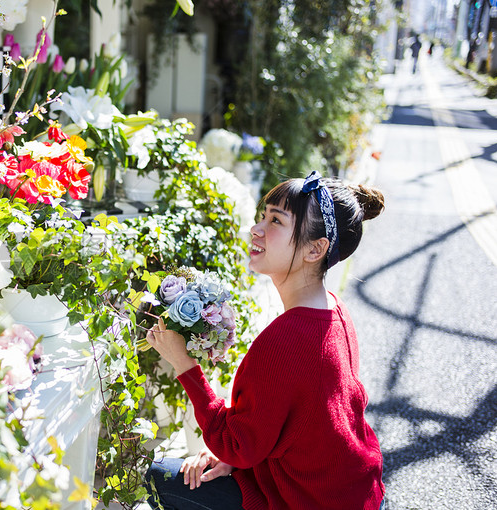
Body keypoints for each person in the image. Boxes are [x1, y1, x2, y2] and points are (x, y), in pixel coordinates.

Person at [143, 171, 386, 510]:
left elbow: (234, 444)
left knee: (156, 477)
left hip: (309, 502)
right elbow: (299, 426)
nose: (257, 229)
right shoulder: (335, 311)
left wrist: (184, 363)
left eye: (275, 220)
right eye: (262, 216)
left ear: (315, 249)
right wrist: (238, 459)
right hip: (357, 495)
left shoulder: (286, 339)